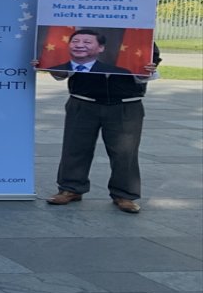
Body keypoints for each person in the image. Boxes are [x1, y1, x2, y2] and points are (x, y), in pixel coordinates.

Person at [39, 29, 159, 214]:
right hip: (83, 101)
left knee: (124, 153)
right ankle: (70, 189)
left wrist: (148, 69)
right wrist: (47, 62)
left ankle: (124, 195)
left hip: (125, 105)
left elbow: (146, 70)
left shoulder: (139, 38)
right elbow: (62, 71)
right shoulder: (84, 35)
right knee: (75, 148)